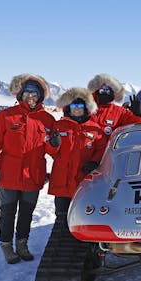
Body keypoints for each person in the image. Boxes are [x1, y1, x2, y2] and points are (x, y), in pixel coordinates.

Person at [0, 74, 55, 264]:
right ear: (20, 94)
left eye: (35, 93)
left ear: (40, 96)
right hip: (8, 174)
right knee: (7, 212)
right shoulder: (6, 116)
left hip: (33, 175)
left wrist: (56, 144)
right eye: (27, 92)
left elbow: (53, 149)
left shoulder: (47, 120)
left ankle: (22, 244)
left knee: (26, 213)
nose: (31, 96)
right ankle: (7, 246)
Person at [46, 87, 103, 220]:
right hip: (62, 179)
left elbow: (102, 149)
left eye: (80, 106)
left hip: (83, 180)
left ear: (85, 108)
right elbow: (50, 151)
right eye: (73, 105)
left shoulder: (95, 129)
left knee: (83, 215)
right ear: (68, 107)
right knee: (61, 215)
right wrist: (53, 144)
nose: (76, 109)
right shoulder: (59, 125)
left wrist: (94, 161)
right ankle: (61, 238)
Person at [87, 73, 141, 159]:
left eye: (109, 90)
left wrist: (138, 113)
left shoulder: (119, 112)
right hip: (83, 155)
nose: (105, 93)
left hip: (106, 159)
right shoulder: (86, 108)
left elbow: (139, 123)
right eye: (103, 90)